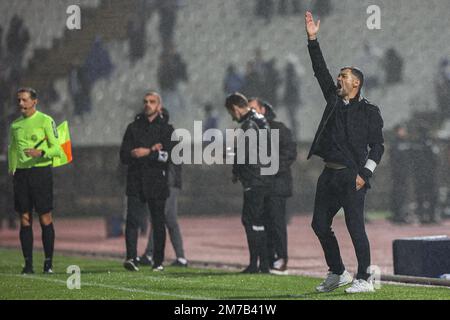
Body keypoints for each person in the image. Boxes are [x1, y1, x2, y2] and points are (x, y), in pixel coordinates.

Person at [305, 12, 385, 293]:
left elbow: (378, 146)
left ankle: (364, 278)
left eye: (344, 76)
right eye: (338, 76)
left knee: (355, 228)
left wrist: (365, 173)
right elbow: (319, 70)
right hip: (329, 174)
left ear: (356, 83)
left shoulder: (370, 111)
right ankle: (338, 271)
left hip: (353, 176)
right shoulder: (333, 100)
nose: (338, 79)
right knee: (318, 224)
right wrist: (312, 38)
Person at [8, 87, 63, 274]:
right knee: (24, 219)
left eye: (24, 100)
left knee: (45, 217)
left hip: (41, 173)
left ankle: (48, 263)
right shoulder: (15, 125)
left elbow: (58, 149)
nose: (20, 104)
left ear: (34, 101)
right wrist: (12, 168)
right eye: (19, 100)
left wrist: (41, 152)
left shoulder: (46, 121)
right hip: (22, 176)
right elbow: (13, 148)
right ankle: (28, 264)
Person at [120, 91, 174, 272]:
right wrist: (152, 151)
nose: (147, 104)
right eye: (145, 101)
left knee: (158, 222)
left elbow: (168, 156)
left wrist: (147, 152)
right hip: (136, 181)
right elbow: (125, 155)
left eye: (152, 102)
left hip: (157, 182)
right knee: (132, 221)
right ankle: (131, 257)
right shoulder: (133, 127)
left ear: (159, 106)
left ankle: (158, 261)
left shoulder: (167, 130)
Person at [224, 92, 274, 273]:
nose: (231, 116)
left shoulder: (249, 124)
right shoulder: (260, 119)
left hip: (254, 178)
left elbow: (248, 152)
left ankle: (257, 264)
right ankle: (263, 264)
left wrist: (235, 163)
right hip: (264, 176)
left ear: (236, 108)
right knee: (257, 221)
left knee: (251, 220)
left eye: (231, 112)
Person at [248, 98, 297, 275]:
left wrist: (269, 168)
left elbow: (290, 154)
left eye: (253, 109)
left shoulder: (279, 129)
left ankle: (280, 259)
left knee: (276, 223)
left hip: (277, 185)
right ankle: (267, 260)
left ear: (263, 109)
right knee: (263, 223)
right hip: (261, 186)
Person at [140, 108, 188, 267]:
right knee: (170, 220)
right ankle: (181, 258)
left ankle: (149, 254)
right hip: (169, 182)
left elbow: (166, 159)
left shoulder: (168, 135)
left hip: (168, 183)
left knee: (159, 218)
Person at [389, 124, 412, 224]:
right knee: (398, 194)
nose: (404, 132)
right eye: (402, 130)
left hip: (404, 174)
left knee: (404, 194)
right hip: (397, 174)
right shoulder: (395, 143)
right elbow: (394, 158)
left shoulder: (406, 143)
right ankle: (397, 215)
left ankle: (403, 214)